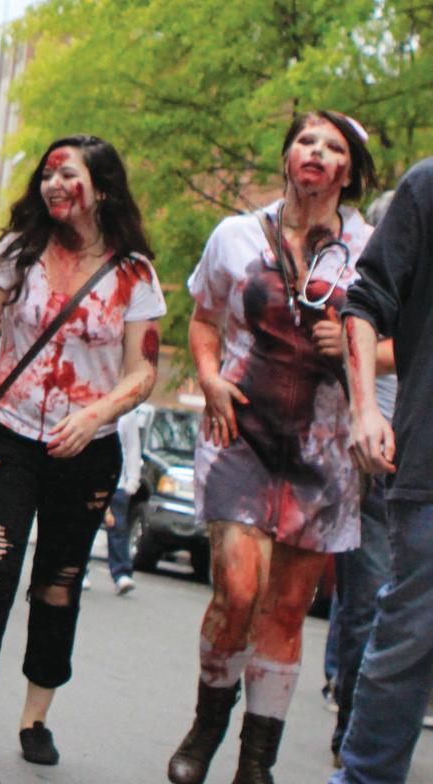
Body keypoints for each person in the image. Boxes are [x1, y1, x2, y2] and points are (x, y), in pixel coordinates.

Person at [0, 134, 166, 772]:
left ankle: (35, 718)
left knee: (59, 583)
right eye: (47, 176)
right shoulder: (18, 252)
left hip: (86, 449)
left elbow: (142, 373)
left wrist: (94, 415)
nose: (53, 185)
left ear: (103, 188)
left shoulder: (134, 274)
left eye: (67, 175)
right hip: (8, 433)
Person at [168, 110, 377, 784]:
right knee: (238, 585)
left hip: (324, 450)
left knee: (287, 609)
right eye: (306, 142)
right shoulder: (235, 235)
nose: (316, 152)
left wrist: (354, 345)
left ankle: (256, 762)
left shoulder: (371, 248)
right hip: (242, 435)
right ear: (288, 157)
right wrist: (207, 378)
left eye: (333, 146)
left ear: (350, 169)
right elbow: (203, 320)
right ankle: (206, 727)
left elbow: (403, 346)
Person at [332, 157, 433, 783]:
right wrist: (365, 408)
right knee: (408, 645)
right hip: (429, 470)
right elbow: (364, 301)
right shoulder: (428, 186)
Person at [325, 191, 397, 766]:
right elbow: (358, 324)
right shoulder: (363, 275)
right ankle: (354, 735)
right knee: (367, 601)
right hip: (377, 455)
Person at [104, 407, 141, 595]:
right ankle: (80, 569)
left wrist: (133, 479)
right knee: (85, 525)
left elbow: (132, 446)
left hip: (118, 481)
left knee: (118, 526)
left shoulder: (127, 412)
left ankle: (121, 573)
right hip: (91, 478)